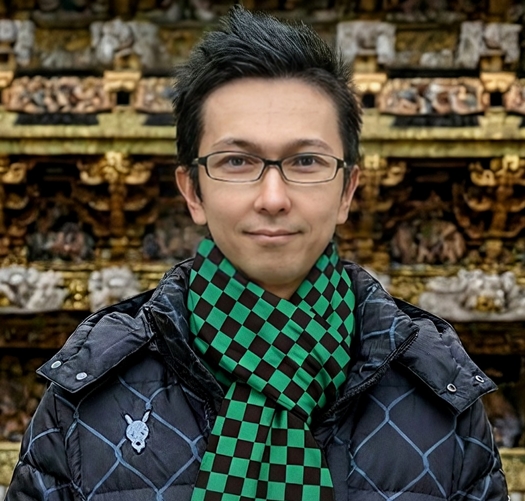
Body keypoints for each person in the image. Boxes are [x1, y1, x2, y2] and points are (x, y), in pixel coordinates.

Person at [7, 6, 507, 501]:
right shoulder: (88, 396)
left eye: (306, 161)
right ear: (192, 191)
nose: (272, 198)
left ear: (348, 190)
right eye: (237, 161)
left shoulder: (441, 399)